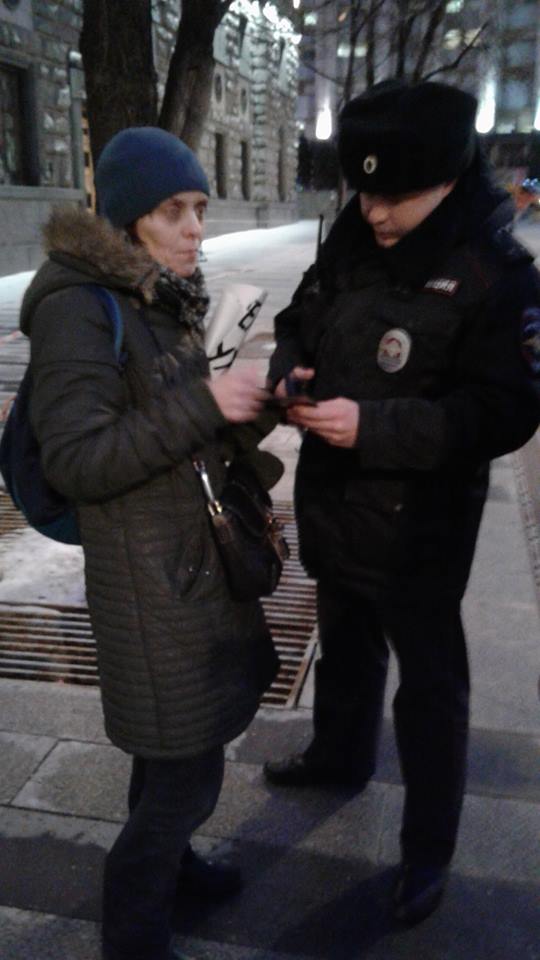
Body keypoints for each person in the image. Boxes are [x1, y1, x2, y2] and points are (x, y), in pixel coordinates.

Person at [263, 80, 540, 926]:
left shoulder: (496, 272)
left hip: (420, 526)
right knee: (345, 647)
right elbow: (299, 314)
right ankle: (339, 755)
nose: (376, 211)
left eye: (398, 195)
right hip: (335, 503)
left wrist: (374, 427)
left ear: (449, 178)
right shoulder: (352, 239)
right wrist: (288, 367)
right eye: (365, 191)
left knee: (429, 690)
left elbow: (505, 410)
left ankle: (427, 850)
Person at [20, 127, 280, 960]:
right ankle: (134, 933)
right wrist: (207, 403)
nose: (195, 228)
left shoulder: (157, 295)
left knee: (175, 752)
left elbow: (182, 425)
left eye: (200, 208)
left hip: (185, 562)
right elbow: (78, 458)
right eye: (174, 210)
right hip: (148, 579)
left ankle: (176, 870)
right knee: (184, 775)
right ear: (130, 217)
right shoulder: (77, 307)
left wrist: (261, 403)